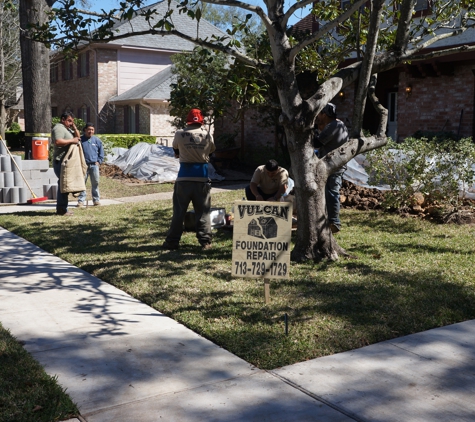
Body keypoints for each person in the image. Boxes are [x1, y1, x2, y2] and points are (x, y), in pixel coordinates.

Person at [162, 108, 216, 250]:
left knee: (179, 212)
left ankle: (172, 242)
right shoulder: (207, 135)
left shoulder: (180, 134)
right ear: (201, 120)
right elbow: (211, 150)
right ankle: (205, 242)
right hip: (202, 179)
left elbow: (176, 151)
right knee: (202, 212)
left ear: (188, 119)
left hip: (184, 178)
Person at [314, 102, 349, 233]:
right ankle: (328, 220)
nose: (317, 116)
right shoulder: (338, 124)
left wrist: (309, 130)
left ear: (325, 114)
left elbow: (316, 143)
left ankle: (334, 222)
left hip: (334, 165)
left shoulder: (333, 125)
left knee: (331, 192)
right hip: (333, 164)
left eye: (319, 113)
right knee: (328, 192)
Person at [52, 111, 81, 216]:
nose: (70, 123)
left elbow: (78, 138)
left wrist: (74, 128)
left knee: (65, 185)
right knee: (63, 185)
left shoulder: (67, 129)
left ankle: (63, 208)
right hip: (60, 161)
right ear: (62, 119)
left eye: (72, 121)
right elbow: (58, 142)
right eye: (69, 121)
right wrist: (72, 140)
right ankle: (61, 209)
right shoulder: (58, 128)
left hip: (66, 162)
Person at [77, 123, 104, 207]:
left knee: (95, 183)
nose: (90, 131)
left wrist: (99, 161)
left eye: (92, 130)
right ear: (85, 130)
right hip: (83, 165)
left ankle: (96, 200)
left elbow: (101, 153)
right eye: (89, 129)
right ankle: (81, 201)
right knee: (82, 183)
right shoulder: (80, 140)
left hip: (94, 165)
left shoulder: (97, 140)